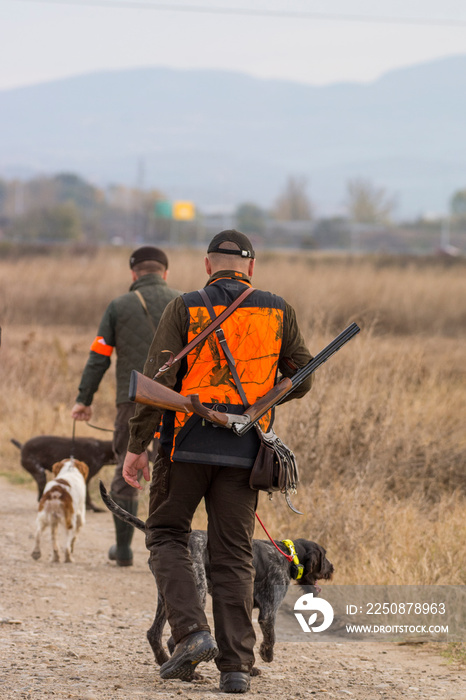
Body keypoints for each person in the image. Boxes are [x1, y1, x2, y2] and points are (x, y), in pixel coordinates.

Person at [122, 230, 313, 694]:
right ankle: (235, 668)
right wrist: (264, 399)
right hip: (245, 453)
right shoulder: (279, 309)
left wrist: (136, 445)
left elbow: (157, 377)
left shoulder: (184, 306)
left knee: (166, 534)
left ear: (208, 266)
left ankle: (191, 634)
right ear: (251, 267)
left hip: (182, 447)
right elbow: (302, 375)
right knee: (234, 555)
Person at [71, 246, 179, 566]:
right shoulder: (185, 302)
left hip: (131, 401)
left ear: (134, 274)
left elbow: (98, 357)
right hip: (178, 403)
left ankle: (124, 550)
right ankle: (168, 555)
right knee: (173, 472)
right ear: (165, 273)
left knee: (126, 469)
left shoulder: (119, 305)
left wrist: (83, 400)